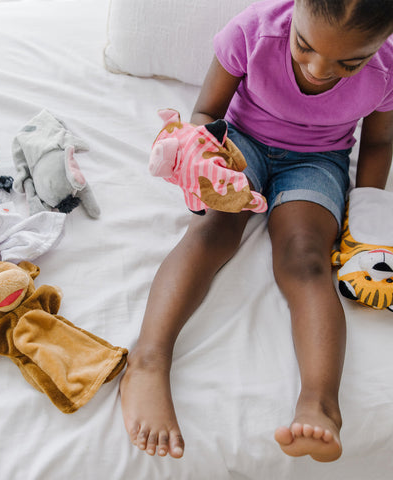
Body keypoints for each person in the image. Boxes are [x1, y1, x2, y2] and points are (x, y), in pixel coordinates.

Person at [120, 0, 393, 462]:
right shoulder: (252, 31)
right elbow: (206, 113)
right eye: (304, 47)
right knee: (213, 232)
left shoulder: (385, 71)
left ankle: (321, 403)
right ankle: (147, 359)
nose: (318, 70)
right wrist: (210, 163)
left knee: (305, 260)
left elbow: (380, 141)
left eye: (348, 63)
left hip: (317, 160)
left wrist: (368, 219)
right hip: (240, 145)